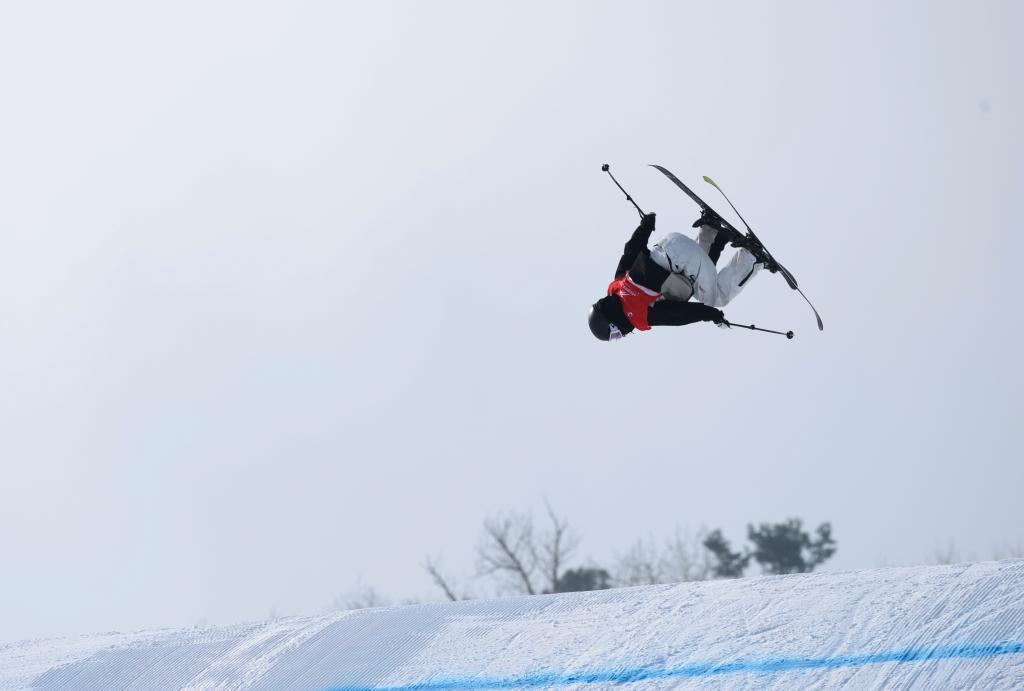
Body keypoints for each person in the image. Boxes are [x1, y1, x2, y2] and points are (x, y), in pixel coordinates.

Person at [588, 211, 764, 341]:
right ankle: (711, 229)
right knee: (692, 284)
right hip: (670, 243)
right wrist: (646, 226)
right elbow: (632, 249)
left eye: (617, 334)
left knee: (716, 298)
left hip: (685, 259)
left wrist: (712, 315)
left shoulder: (639, 314)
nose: (623, 335)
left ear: (613, 321)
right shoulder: (619, 284)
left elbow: (680, 315)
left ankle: (752, 257)